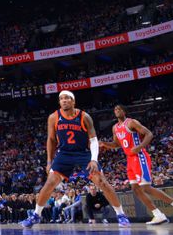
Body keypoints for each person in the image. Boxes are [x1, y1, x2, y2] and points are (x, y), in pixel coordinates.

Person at [21, 91, 130, 228]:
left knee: (101, 181)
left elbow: (93, 139)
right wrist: (49, 161)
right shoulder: (53, 117)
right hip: (64, 154)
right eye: (61, 99)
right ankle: (36, 215)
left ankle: (121, 214)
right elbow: (51, 139)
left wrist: (94, 159)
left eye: (67, 98)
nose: (64, 100)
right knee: (49, 184)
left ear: (73, 101)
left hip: (83, 153)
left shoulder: (85, 117)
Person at [100, 104, 173, 224]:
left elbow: (149, 134)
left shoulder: (131, 122)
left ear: (124, 111)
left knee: (145, 187)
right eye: (115, 109)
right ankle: (158, 214)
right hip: (129, 159)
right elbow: (117, 144)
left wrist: (140, 147)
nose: (117, 111)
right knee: (136, 189)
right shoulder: (115, 128)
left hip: (139, 156)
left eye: (119, 109)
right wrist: (104, 144)